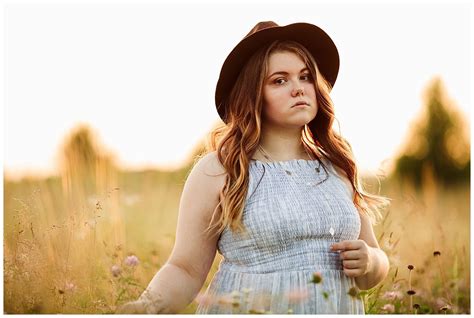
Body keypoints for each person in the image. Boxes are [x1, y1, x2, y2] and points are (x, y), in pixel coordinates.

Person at [116, 21, 390, 314]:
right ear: (253, 95)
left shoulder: (337, 168)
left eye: (305, 76)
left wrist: (371, 262)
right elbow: (185, 269)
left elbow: (373, 263)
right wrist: (144, 308)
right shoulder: (220, 171)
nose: (298, 88)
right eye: (279, 80)